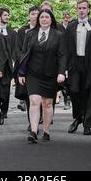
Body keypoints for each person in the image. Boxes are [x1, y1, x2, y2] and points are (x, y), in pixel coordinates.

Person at [18, 9, 66, 143]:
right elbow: (24, 54)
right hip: (33, 73)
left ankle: (46, 131)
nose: (44, 19)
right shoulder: (30, 34)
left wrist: (61, 72)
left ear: (51, 20)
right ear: (38, 20)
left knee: (47, 103)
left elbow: (62, 55)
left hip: (50, 74)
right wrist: (21, 72)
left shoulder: (58, 35)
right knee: (34, 101)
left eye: (47, 17)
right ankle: (33, 131)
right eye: (42, 17)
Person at [66, 0, 91, 136]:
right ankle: (77, 118)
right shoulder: (71, 26)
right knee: (74, 91)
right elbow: (66, 47)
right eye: (79, 8)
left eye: (84, 8)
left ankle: (87, 123)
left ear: (88, 10)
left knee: (87, 93)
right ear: (77, 9)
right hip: (74, 64)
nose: (81, 10)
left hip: (90, 65)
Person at [15, 6, 40, 117]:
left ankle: (40, 118)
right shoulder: (22, 31)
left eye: (37, 14)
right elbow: (18, 49)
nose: (35, 16)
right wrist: (24, 61)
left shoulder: (43, 30)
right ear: (29, 16)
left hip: (40, 67)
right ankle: (32, 122)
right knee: (29, 97)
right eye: (32, 14)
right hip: (25, 68)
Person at [0, 7, 17, 118]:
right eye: (5, 15)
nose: (7, 17)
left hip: (8, 65)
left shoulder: (12, 33)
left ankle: (4, 110)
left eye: (8, 15)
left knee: (5, 88)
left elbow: (15, 49)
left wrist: (14, 62)